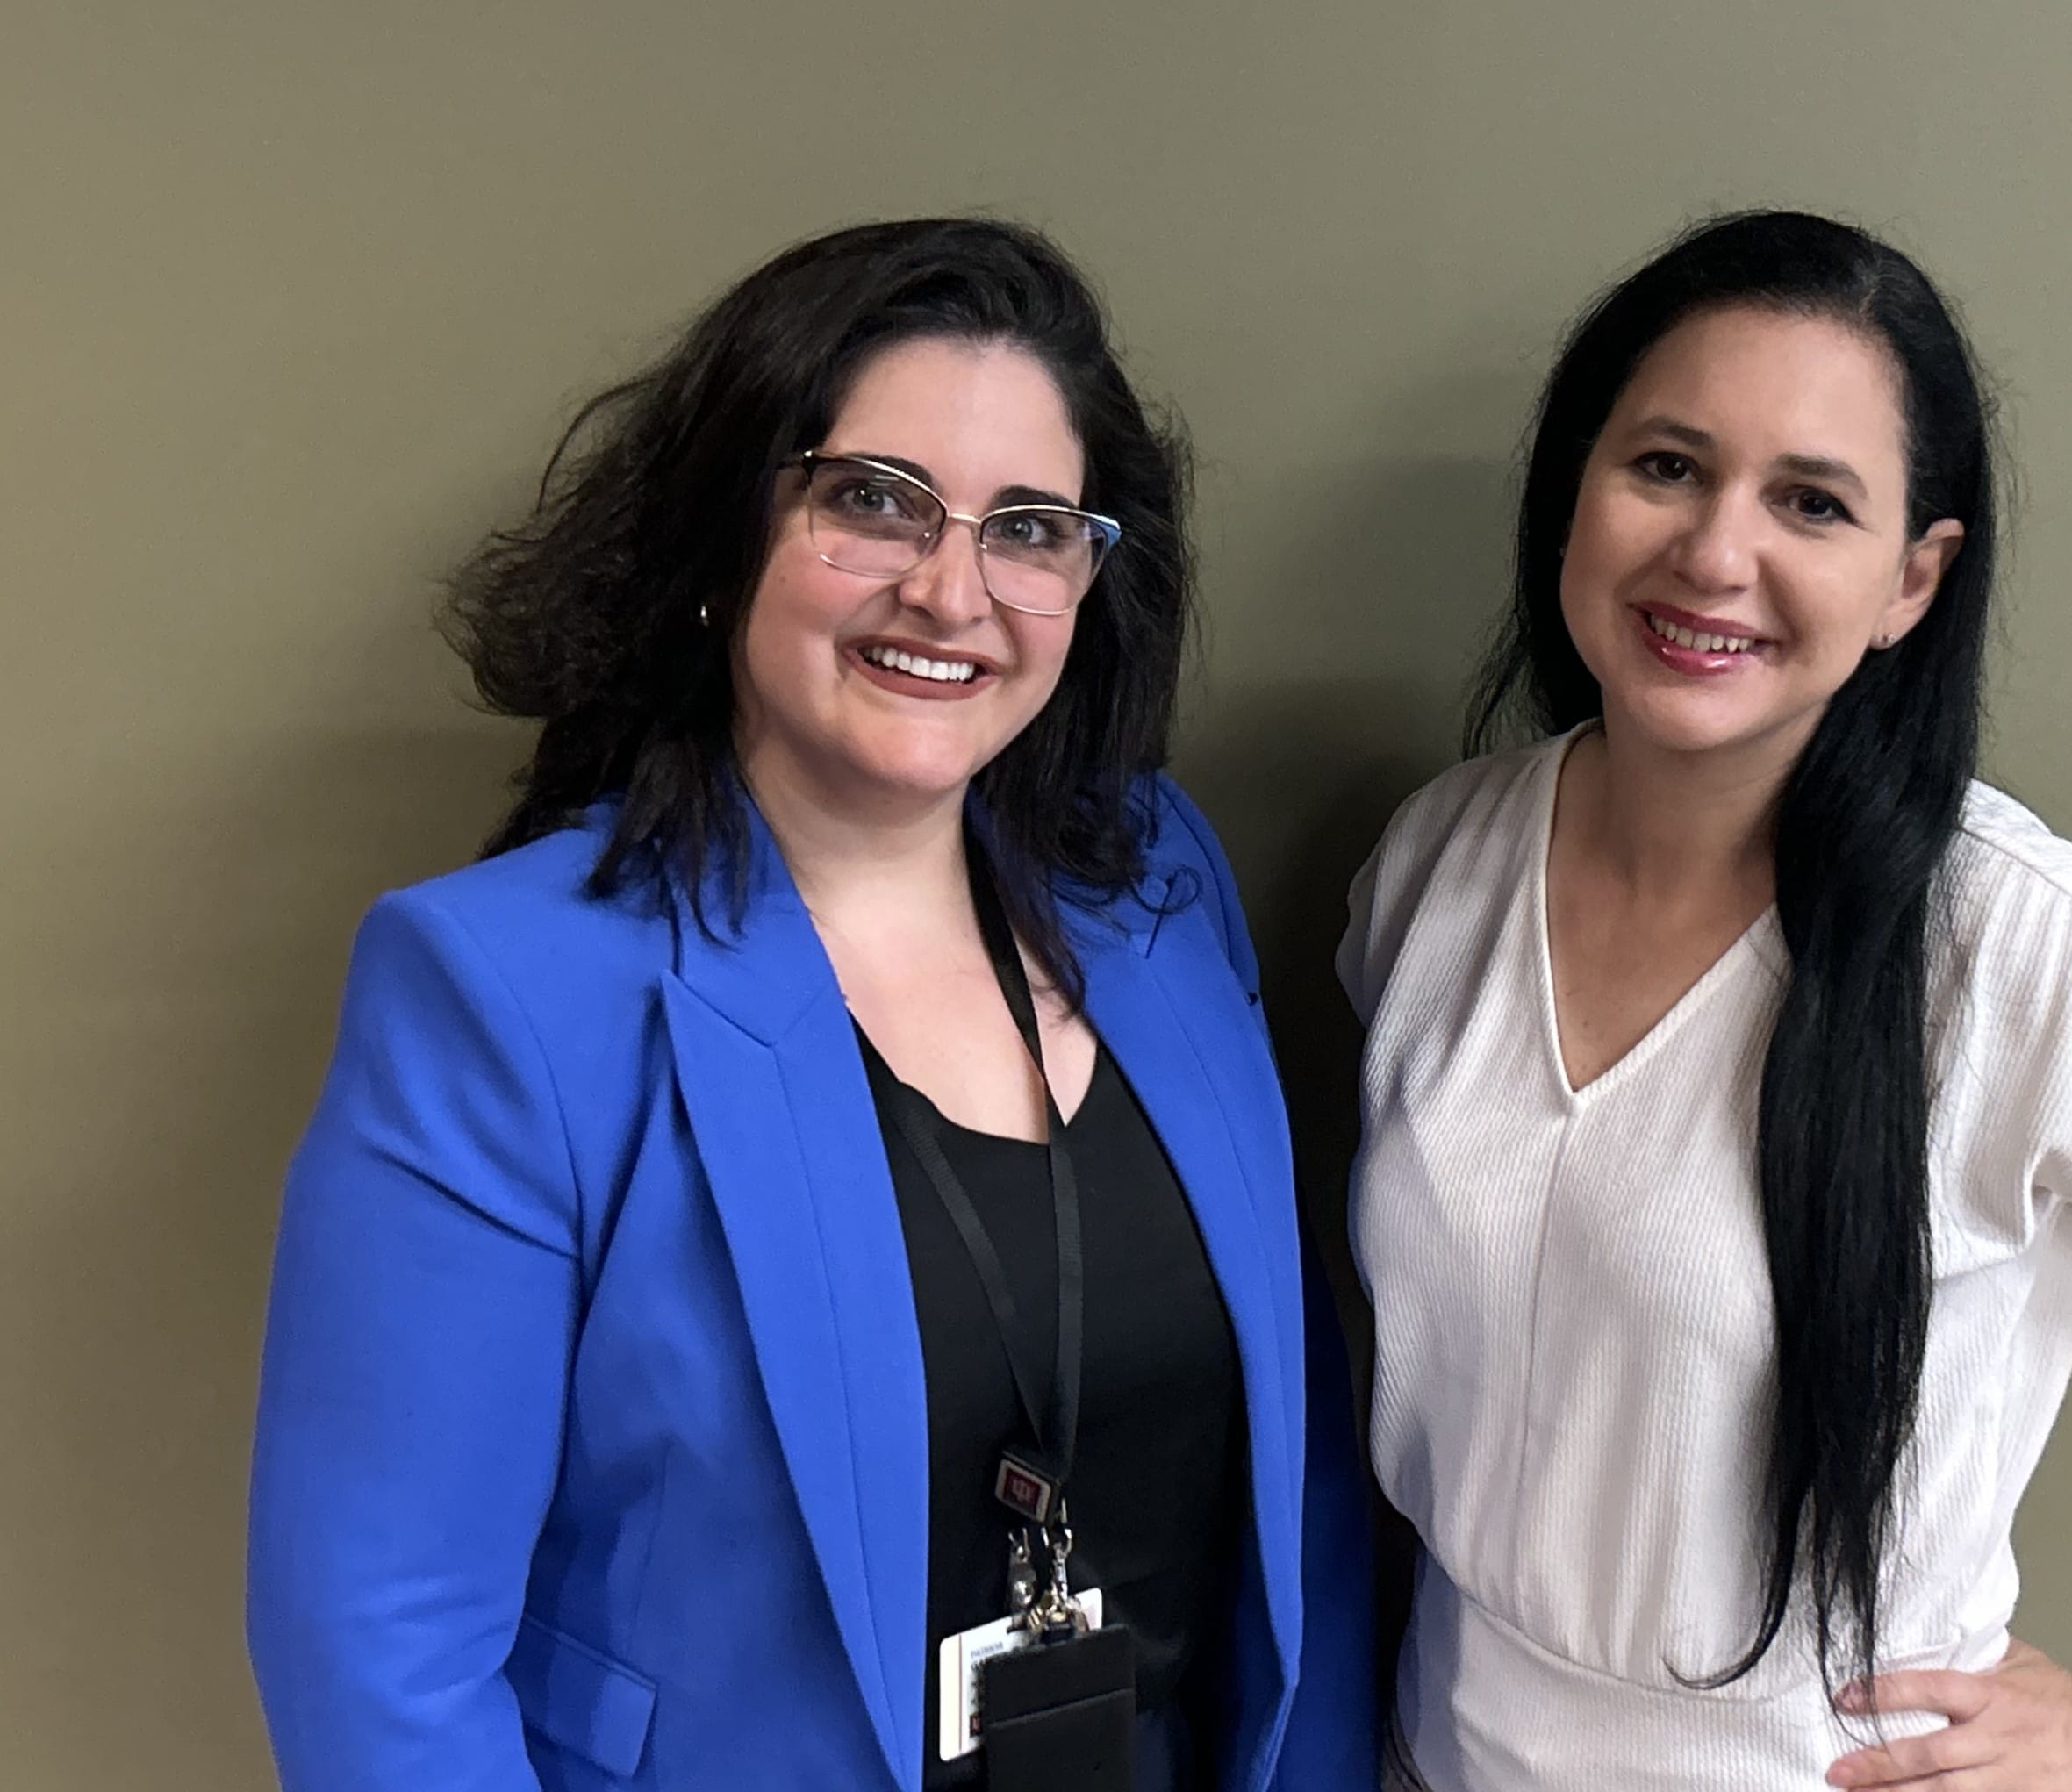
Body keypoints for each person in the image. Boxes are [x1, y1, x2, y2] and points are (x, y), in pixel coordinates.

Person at [1340, 211, 2072, 1791]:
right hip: (1432, 1743)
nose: (1714, 552)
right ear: (1574, 489)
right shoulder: (1436, 861)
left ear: (1911, 580)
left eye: (1809, 503)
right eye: (1666, 466)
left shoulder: (2015, 948)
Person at [248, 219, 1374, 1792]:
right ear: (725, 534)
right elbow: (383, 1642)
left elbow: (1297, 1479)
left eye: (1030, 528)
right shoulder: (506, 990)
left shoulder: (1155, 880)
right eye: (872, 500)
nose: (951, 590)